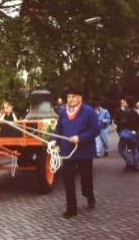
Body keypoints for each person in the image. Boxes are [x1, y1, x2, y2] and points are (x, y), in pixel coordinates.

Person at [50, 85, 99, 219]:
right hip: (67, 151)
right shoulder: (63, 112)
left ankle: (89, 194)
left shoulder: (89, 111)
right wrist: (55, 141)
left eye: (73, 97)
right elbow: (59, 129)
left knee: (86, 179)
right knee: (68, 180)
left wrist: (80, 138)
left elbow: (95, 130)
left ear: (80, 98)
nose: (70, 100)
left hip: (84, 151)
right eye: (68, 97)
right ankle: (71, 208)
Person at [115, 96, 139, 172]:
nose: (124, 103)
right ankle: (136, 166)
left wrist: (118, 129)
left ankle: (129, 162)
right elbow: (138, 122)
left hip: (126, 133)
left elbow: (122, 122)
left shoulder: (126, 111)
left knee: (121, 148)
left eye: (125, 101)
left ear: (128, 103)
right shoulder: (135, 112)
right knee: (134, 149)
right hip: (133, 133)